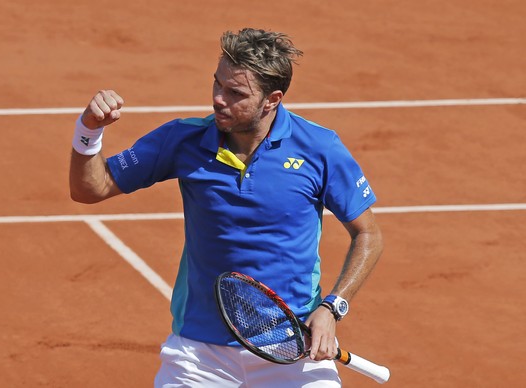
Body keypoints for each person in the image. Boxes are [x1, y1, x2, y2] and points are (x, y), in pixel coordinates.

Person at [69, 28, 383, 387]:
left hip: (294, 345)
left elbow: (368, 234)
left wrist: (332, 308)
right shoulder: (183, 139)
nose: (219, 99)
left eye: (236, 93)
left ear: (272, 99)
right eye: (217, 84)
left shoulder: (319, 148)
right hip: (199, 355)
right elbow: (90, 189)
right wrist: (88, 131)